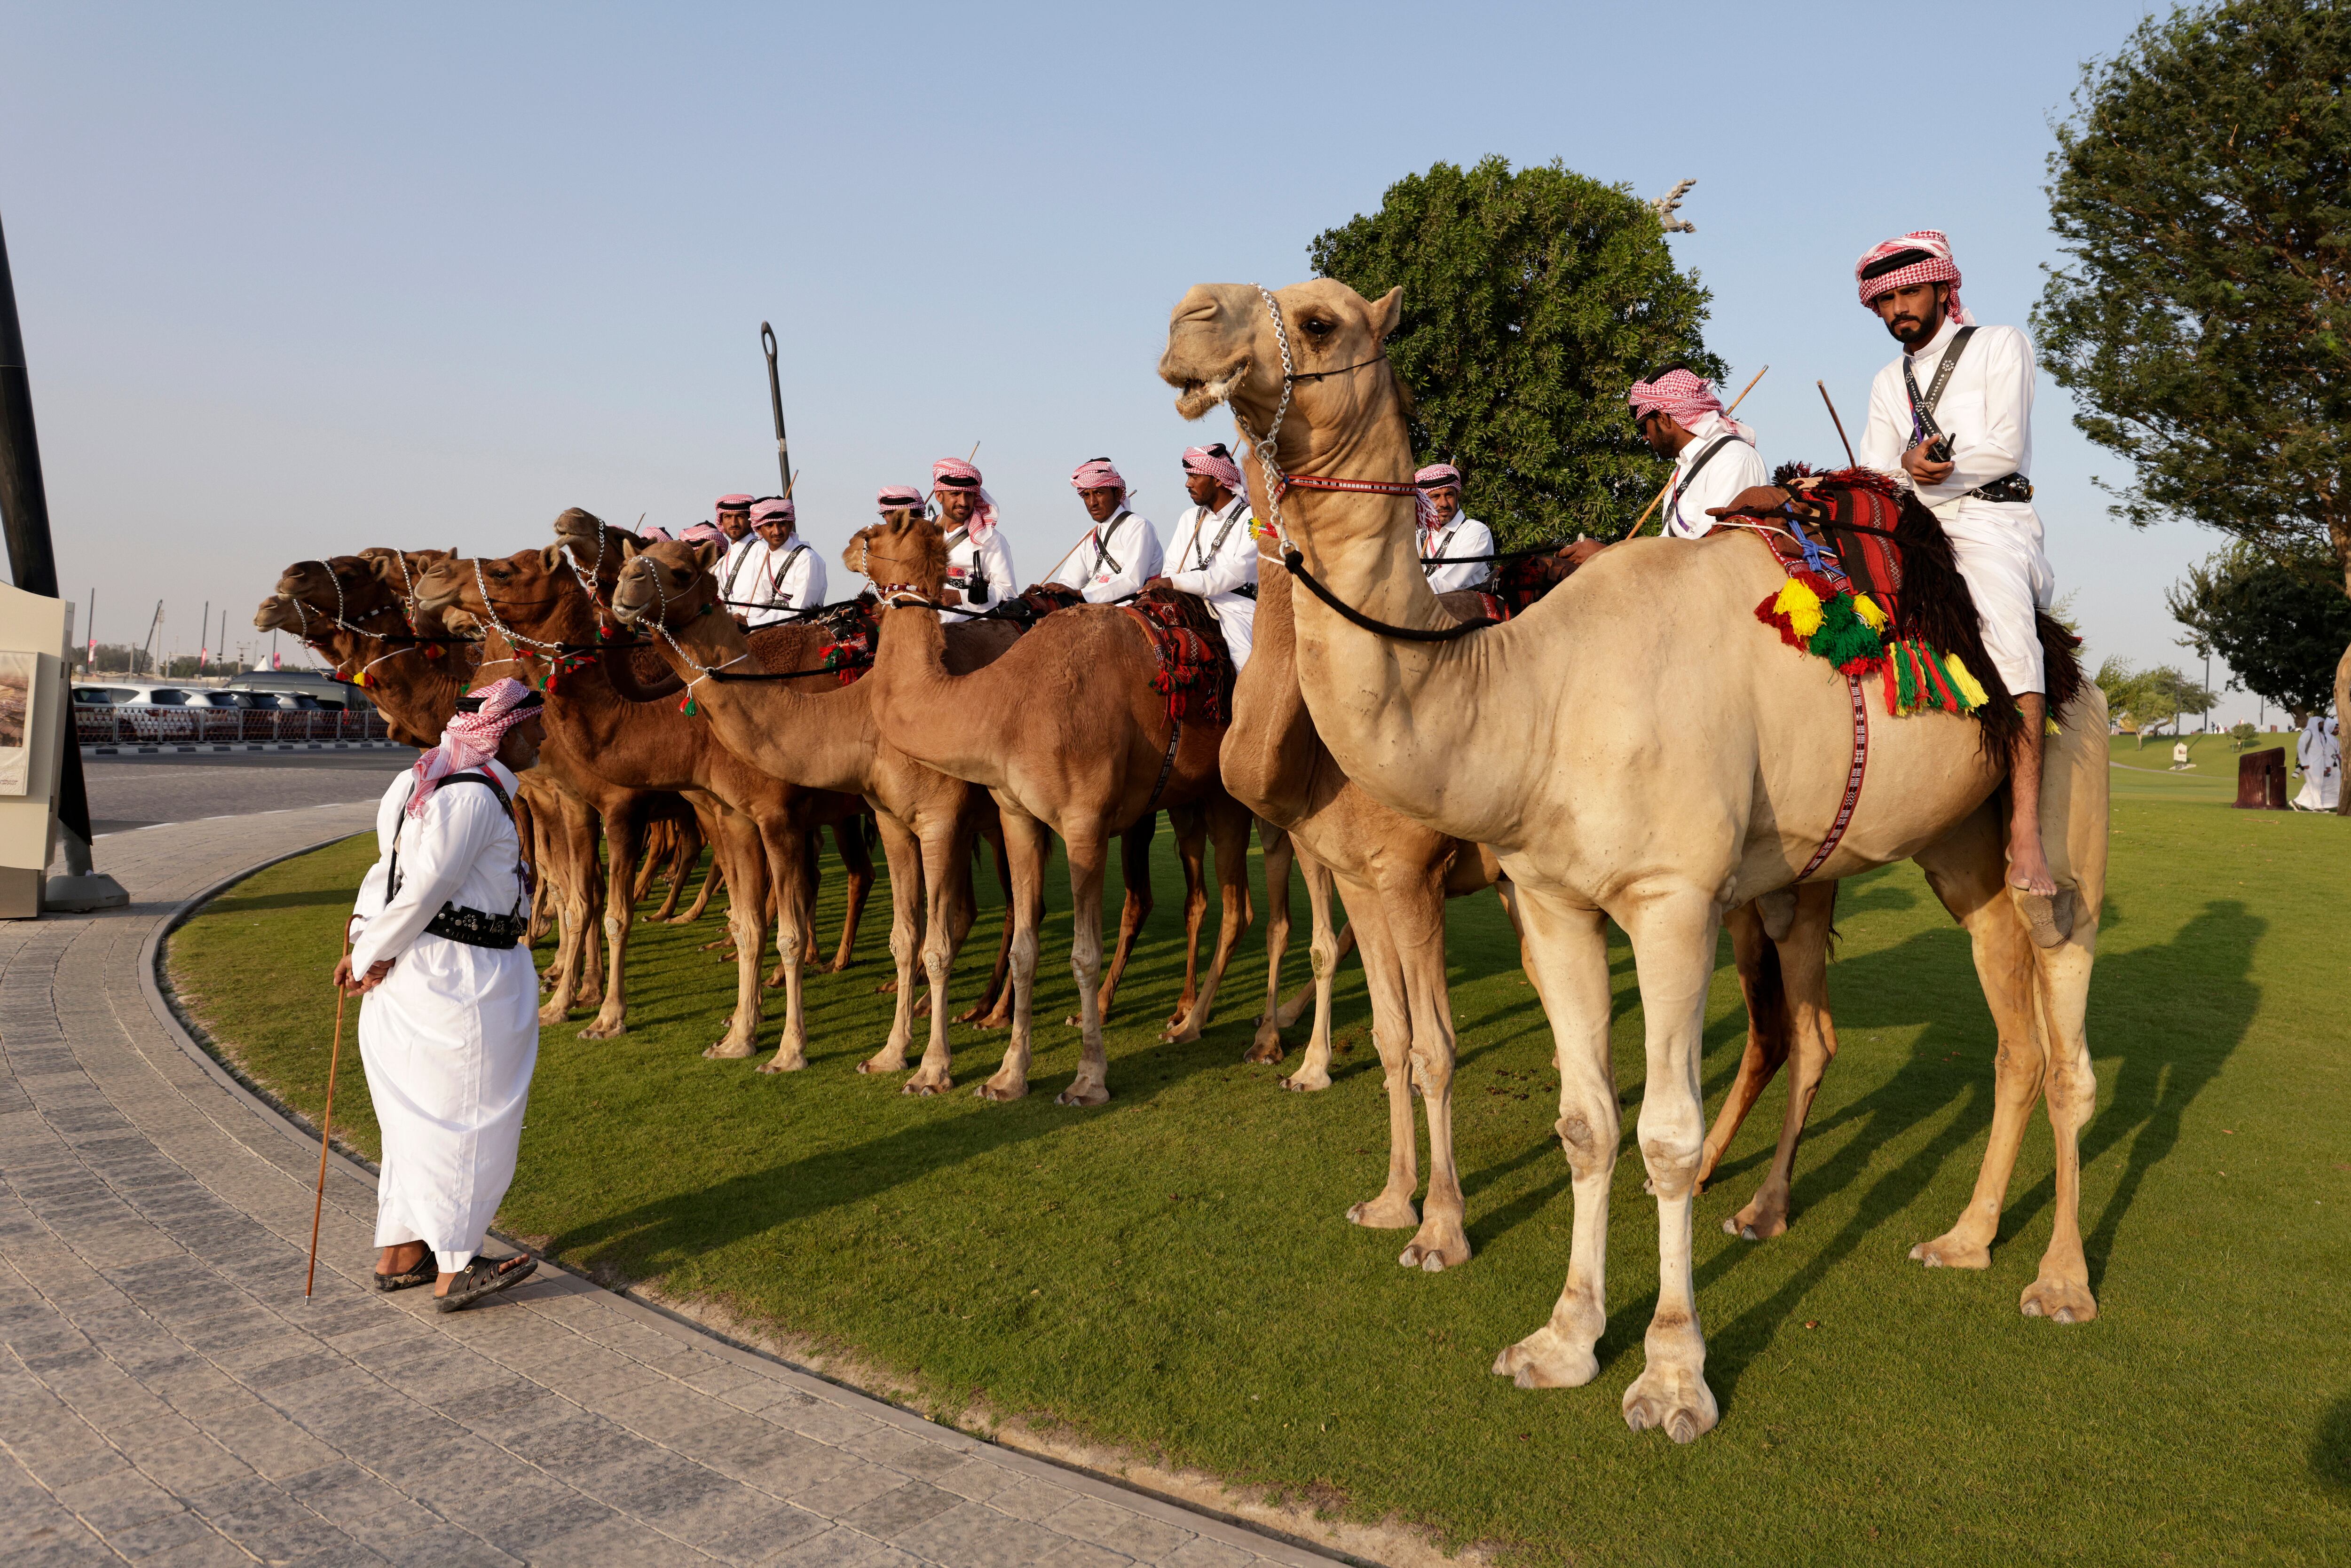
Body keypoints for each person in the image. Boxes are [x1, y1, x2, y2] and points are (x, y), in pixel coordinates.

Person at [1853, 229, 2061, 902]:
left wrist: (1928, 470)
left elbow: (2003, 448)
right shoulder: (1890, 379)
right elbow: (1873, 466)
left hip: (1991, 520)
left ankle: (2024, 829)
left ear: (1945, 286)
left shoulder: (2002, 344)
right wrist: (1904, 470)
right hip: (1917, 523)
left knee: (2007, 633)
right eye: (1883, 301)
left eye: (1909, 292)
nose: (1896, 312)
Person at [338, 679, 546, 1312]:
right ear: (504, 732)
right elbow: (423, 888)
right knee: (466, 1118)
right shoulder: (475, 798)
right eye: (535, 725)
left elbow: (386, 874)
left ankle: (402, 1252)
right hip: (461, 980)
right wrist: (370, 952)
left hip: (423, 974)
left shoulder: (418, 779)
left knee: (416, 1119)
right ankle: (458, 1263)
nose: (544, 736)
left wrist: (364, 943)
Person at [1153, 443, 1259, 668]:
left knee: (1243, 656)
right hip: (1187, 598)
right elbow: (1171, 567)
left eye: (1194, 476)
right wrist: (1174, 583)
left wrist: (1177, 582)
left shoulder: (1252, 518)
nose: (1188, 483)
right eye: (1188, 476)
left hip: (1235, 607)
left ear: (1218, 479)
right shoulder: (1189, 517)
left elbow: (1238, 572)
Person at [1048, 457, 1160, 603]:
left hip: (1132, 608)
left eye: (1099, 493)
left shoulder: (1139, 527)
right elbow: (1069, 584)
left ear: (1118, 494)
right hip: (1093, 609)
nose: (1092, 503)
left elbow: (1132, 581)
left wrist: (1081, 594)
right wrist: (1046, 592)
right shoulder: (1088, 538)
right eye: (1086, 495)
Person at [926, 459, 1019, 621]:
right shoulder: (921, 531)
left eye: (968, 495)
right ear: (939, 496)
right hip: (921, 620)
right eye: (955, 494)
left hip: (971, 627)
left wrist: (960, 597)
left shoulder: (991, 539)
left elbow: (1008, 594)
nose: (963, 502)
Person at [731, 496, 826, 628]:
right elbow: (759, 603)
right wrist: (744, 620)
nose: (777, 531)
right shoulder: (762, 558)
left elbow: (799, 612)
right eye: (770, 525)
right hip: (768, 626)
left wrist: (753, 623)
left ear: (790, 525)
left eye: (782, 524)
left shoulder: (807, 559)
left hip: (801, 631)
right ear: (759, 529)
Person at [1412, 465, 1495, 592]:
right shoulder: (1418, 536)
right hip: (1425, 608)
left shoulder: (1476, 531)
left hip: (1471, 610)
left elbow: (1449, 582)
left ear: (1458, 496)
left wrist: (1409, 595)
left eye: (1449, 495)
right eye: (1435, 497)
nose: (1444, 504)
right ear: (1423, 501)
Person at [2295, 713, 2340, 811]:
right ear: (2317, 724)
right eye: (2322, 724)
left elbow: (2323, 753)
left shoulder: (2320, 736)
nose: (2323, 726)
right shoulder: (2308, 733)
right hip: (2310, 764)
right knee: (2314, 785)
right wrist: (2304, 763)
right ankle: (2318, 807)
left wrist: (2326, 766)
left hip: (2319, 764)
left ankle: (2299, 802)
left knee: (2317, 785)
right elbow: (2300, 747)